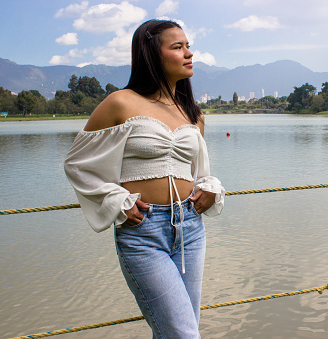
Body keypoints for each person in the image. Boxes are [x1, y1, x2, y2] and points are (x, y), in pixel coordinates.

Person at [64, 19, 224, 338]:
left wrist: (210, 187)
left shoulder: (193, 113)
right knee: (183, 334)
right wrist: (116, 201)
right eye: (177, 47)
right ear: (152, 54)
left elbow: (197, 171)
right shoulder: (121, 103)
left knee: (181, 329)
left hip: (191, 229)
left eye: (188, 46)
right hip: (143, 233)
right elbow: (76, 163)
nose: (189, 53)